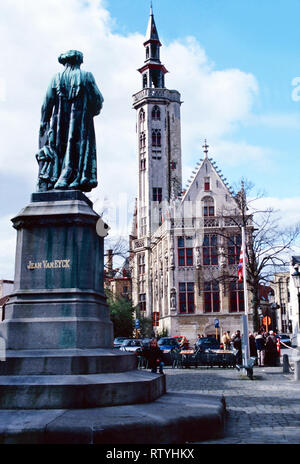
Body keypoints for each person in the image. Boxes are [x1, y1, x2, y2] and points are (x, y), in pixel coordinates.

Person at [38, 49, 104, 192]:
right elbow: (98, 100)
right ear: (79, 61)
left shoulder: (56, 78)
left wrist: (44, 122)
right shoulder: (86, 77)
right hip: (81, 125)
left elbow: (46, 103)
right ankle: (75, 179)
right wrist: (91, 110)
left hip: (58, 125)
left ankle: (57, 178)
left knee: (59, 148)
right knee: (76, 148)